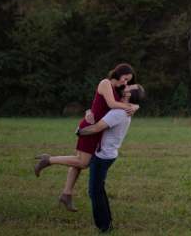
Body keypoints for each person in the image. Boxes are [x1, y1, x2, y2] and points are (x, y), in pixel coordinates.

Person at [34, 64, 139, 211]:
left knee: (79, 162)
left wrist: (134, 106)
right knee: (83, 162)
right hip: (91, 128)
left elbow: (103, 106)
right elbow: (110, 104)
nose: (125, 83)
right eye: (125, 78)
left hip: (99, 129)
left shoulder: (117, 90)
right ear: (119, 73)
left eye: (128, 81)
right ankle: (48, 160)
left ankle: (66, 194)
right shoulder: (105, 83)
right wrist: (132, 107)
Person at [78, 84, 146, 233]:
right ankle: (106, 222)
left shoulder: (118, 112)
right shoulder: (124, 110)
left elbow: (97, 128)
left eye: (129, 87)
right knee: (98, 189)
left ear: (128, 95)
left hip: (103, 156)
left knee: (94, 191)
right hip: (108, 154)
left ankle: (104, 226)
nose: (126, 86)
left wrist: (79, 131)